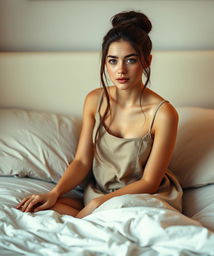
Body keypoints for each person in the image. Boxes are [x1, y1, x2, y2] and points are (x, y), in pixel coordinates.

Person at [16, 10, 182, 219]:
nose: (120, 70)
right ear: (105, 62)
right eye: (112, 61)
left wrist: (99, 203)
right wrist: (54, 192)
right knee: (38, 213)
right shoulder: (94, 100)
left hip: (142, 196)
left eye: (130, 60)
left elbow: (149, 182)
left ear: (147, 61)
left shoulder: (164, 114)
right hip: (98, 193)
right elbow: (82, 161)